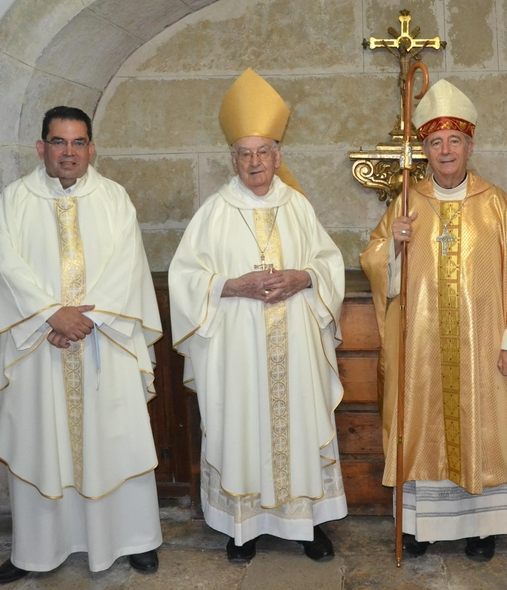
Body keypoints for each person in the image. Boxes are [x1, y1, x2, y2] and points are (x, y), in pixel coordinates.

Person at [360, 80, 507, 562]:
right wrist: (394, 248)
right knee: (421, 431)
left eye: (454, 141)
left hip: (485, 350)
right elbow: (374, 262)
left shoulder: (500, 206)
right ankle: (420, 529)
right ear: (425, 148)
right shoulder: (405, 204)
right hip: (421, 353)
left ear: (470, 145)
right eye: (435, 142)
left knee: (480, 432)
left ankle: (481, 528)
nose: (445, 150)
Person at [168, 69, 346, 563]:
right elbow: (184, 279)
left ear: (278, 156)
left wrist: (304, 278)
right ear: (233, 159)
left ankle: (306, 526)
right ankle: (241, 527)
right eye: (244, 154)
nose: (254, 163)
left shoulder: (299, 208)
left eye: (262, 152)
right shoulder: (214, 212)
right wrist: (231, 286)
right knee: (240, 427)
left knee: (300, 426)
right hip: (237, 351)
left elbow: (328, 264)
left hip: (296, 348)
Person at [0, 106, 163, 585]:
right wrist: (50, 316)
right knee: (42, 441)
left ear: (91, 148)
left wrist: (85, 321)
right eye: (59, 142)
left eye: (78, 142)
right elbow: (6, 265)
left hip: (104, 339)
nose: (69, 152)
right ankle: (36, 551)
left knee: (115, 438)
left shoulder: (114, 199)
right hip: (39, 346)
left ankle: (135, 540)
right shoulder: (14, 200)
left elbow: (126, 266)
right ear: (41, 147)